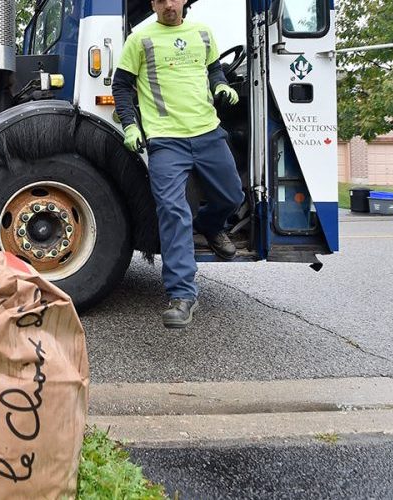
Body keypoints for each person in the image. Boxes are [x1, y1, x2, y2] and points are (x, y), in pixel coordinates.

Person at [111, 0, 244, 329]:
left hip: (207, 132)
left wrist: (222, 85)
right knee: (173, 212)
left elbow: (213, 69)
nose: (169, 4)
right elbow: (121, 85)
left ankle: (212, 226)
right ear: (153, 3)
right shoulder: (139, 40)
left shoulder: (203, 33)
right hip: (165, 140)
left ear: (183, 0)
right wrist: (130, 124)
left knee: (232, 195)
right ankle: (182, 295)